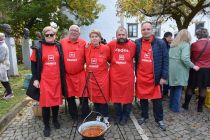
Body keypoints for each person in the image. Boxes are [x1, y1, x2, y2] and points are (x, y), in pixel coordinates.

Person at [30, 26, 66, 137]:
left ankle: (55, 120)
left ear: (55, 36)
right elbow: (33, 64)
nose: (49, 36)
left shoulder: (58, 46)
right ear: (44, 36)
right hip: (44, 79)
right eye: (47, 35)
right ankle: (46, 125)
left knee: (55, 102)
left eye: (52, 34)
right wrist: (35, 78)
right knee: (45, 104)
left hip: (57, 79)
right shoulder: (38, 47)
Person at [135, 21, 168, 131]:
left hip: (155, 77)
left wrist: (164, 76)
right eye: (143, 29)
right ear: (141, 31)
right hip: (141, 77)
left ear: (152, 30)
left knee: (157, 101)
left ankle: (159, 119)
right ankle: (144, 116)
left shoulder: (160, 43)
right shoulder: (137, 42)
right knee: (143, 99)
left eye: (148, 29)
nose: (146, 31)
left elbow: (165, 60)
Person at [107, 26, 136, 125]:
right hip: (115, 77)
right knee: (116, 99)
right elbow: (107, 56)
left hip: (128, 77)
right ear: (116, 36)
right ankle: (118, 115)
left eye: (123, 34)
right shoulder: (110, 44)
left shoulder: (133, 45)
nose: (121, 36)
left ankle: (125, 116)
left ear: (127, 35)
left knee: (128, 99)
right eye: (119, 35)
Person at [60, 25, 89, 119]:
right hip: (67, 75)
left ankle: (85, 115)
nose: (74, 32)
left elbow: (88, 57)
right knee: (70, 97)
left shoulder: (83, 43)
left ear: (79, 33)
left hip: (80, 73)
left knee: (84, 96)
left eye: (76, 30)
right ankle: (74, 116)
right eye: (72, 30)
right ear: (69, 31)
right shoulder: (62, 42)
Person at [169, 29, 199, 112]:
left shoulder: (173, 44)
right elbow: (184, 58)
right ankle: (175, 108)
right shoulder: (185, 45)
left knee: (173, 88)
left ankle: (171, 105)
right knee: (178, 88)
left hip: (171, 69)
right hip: (180, 69)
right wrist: (193, 66)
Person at [85, 30, 110, 123]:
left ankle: (106, 116)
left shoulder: (106, 48)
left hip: (102, 78)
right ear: (90, 38)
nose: (94, 38)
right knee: (95, 98)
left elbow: (111, 60)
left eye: (96, 36)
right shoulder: (86, 48)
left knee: (103, 98)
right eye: (92, 36)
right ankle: (98, 115)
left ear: (100, 38)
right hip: (91, 78)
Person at [182, 28, 210, 112]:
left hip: (195, 68)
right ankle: (200, 108)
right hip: (207, 70)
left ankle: (186, 105)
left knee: (190, 87)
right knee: (203, 88)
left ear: (197, 35)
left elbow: (190, 57)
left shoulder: (194, 45)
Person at [0, 33, 13, 100]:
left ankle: (10, 93)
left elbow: (1, 58)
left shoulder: (3, 46)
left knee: (3, 79)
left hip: (3, 65)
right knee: (4, 78)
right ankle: (8, 91)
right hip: (3, 64)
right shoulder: (1, 44)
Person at [162, 32, 173, 97]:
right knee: (166, 78)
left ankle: (165, 92)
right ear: (168, 37)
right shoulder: (164, 43)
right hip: (165, 63)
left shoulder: (163, 42)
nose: (171, 38)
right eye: (170, 37)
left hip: (164, 63)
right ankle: (164, 92)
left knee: (166, 78)